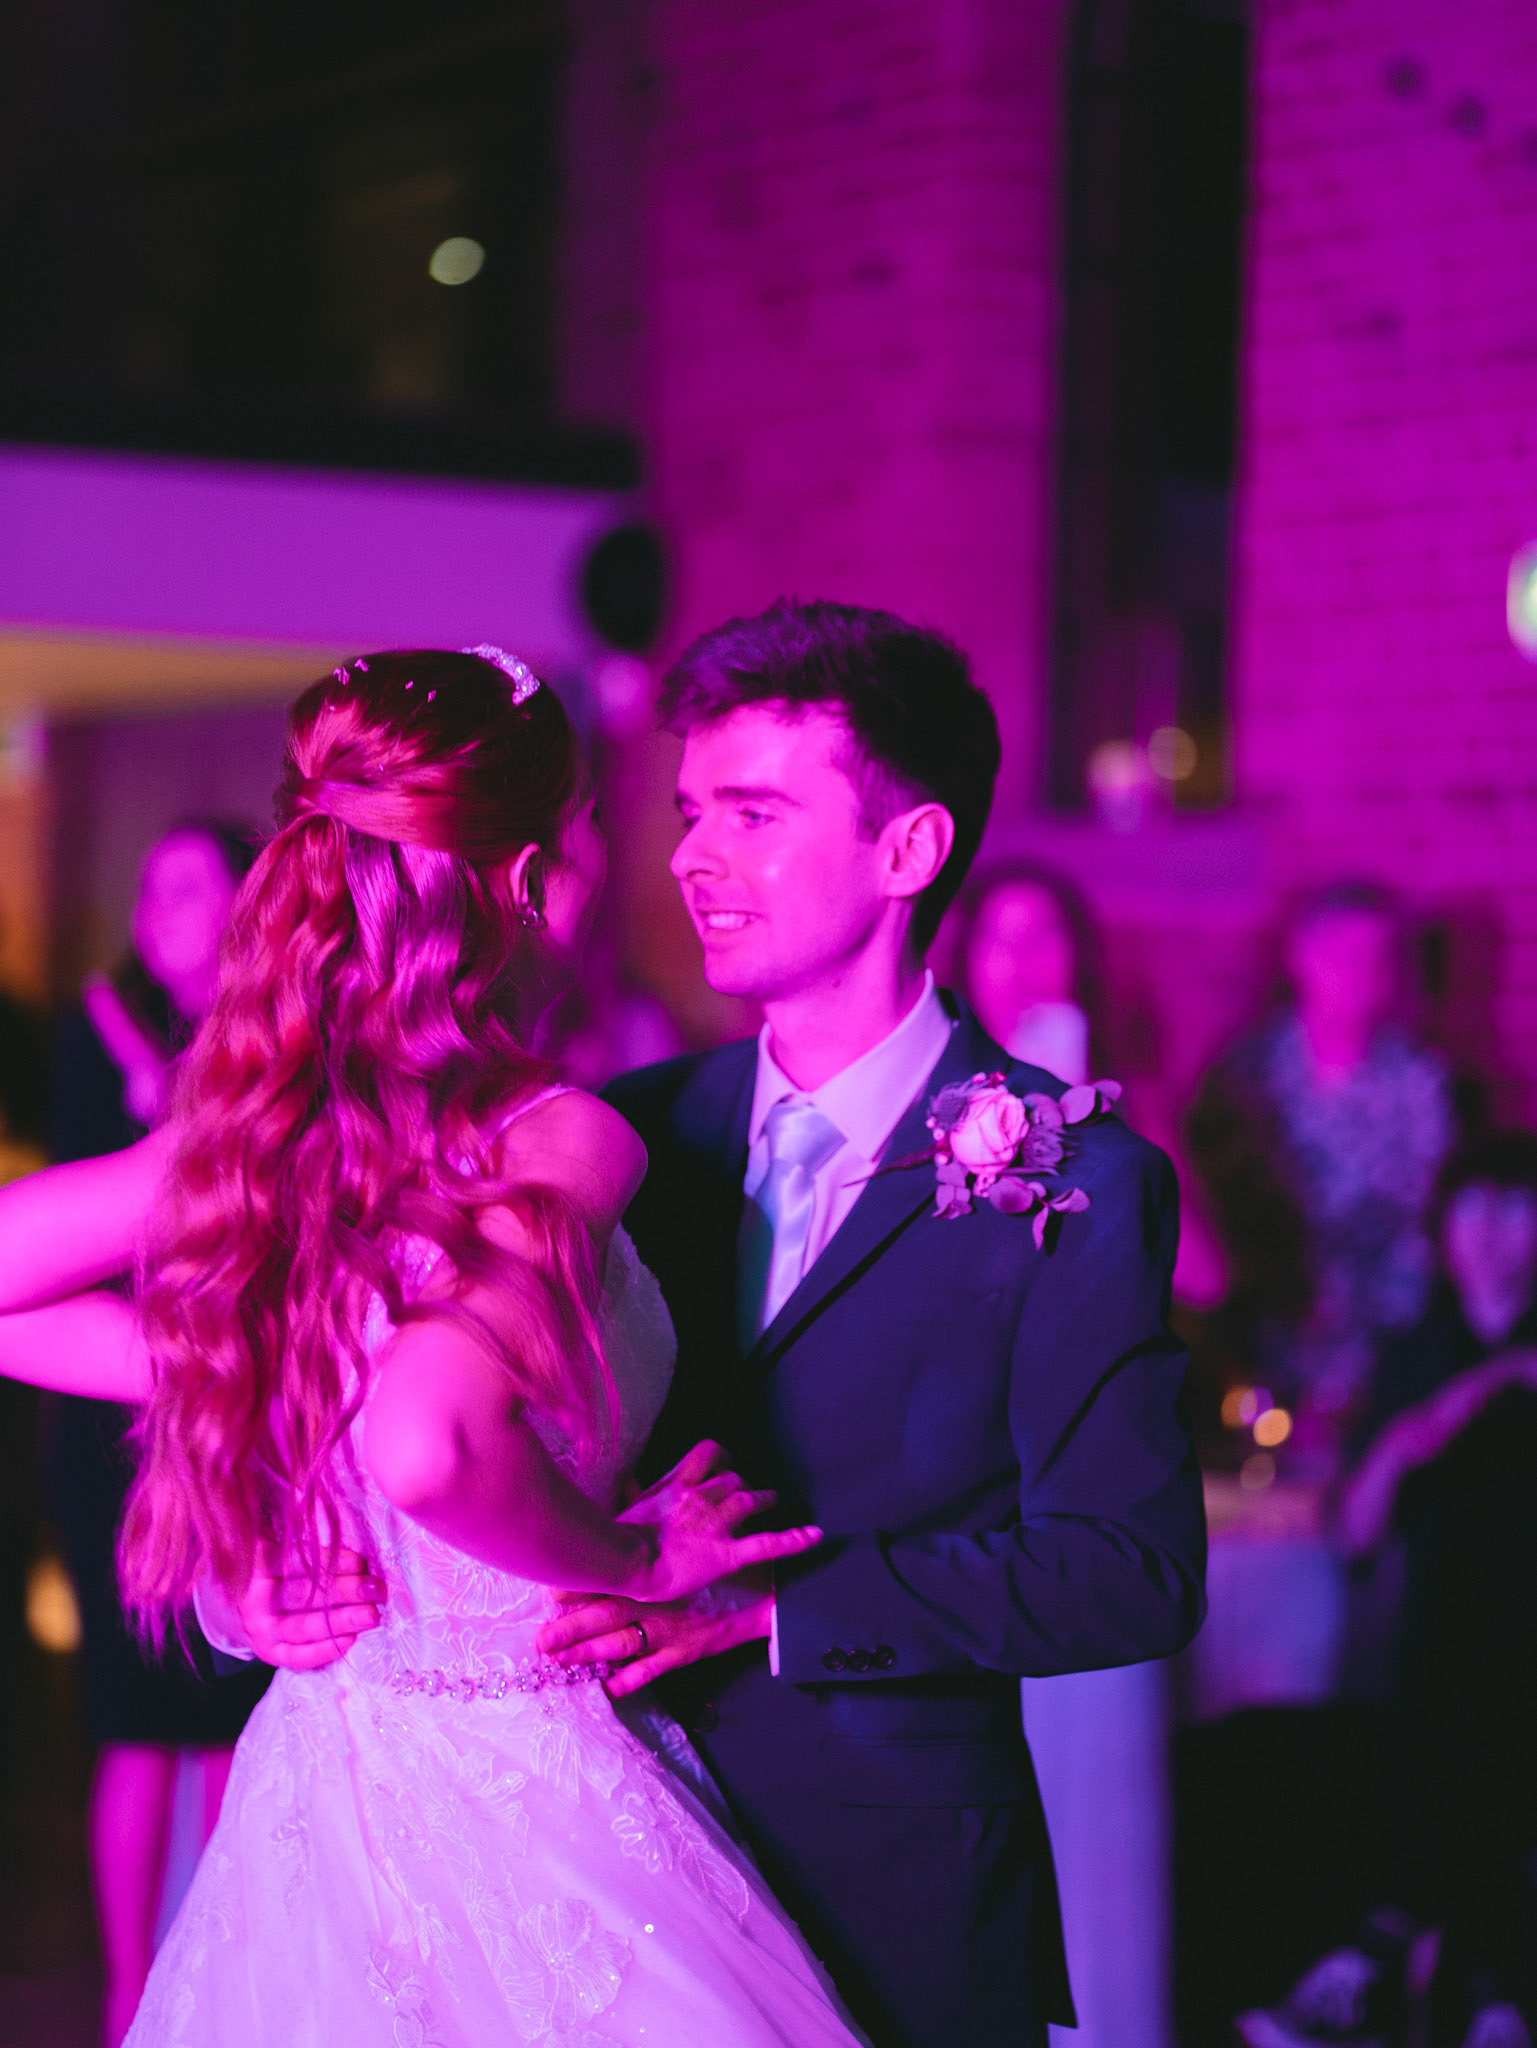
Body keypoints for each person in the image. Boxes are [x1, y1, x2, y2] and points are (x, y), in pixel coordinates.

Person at [230, 605, 1206, 2046]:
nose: (692, 856)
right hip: (577, 1890)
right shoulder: (604, 1135)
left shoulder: (1075, 1179)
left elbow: (1129, 1573)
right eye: (690, 813)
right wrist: (269, 1584)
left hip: (890, 1887)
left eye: (752, 814)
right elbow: (357, 1384)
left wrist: (768, 1606)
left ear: (908, 850)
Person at [0, 646, 868, 2047]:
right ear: (529, 879)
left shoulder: (269, 1143)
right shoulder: (554, 1140)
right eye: (592, 824)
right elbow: (426, 1440)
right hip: (524, 1804)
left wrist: (282, 1361)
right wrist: (638, 1559)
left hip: (320, 1795)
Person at [41, 819, 271, 2048]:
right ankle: (131, 1989)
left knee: (235, 1704)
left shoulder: (273, 1031)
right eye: (148, 884)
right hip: (115, 1403)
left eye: (188, 882)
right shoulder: (97, 1030)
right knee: (132, 1716)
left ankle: (219, 1963)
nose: (159, 905)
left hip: (248, 1399)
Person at [1239, 1134, 1537, 2048]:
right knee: (1439, 1707)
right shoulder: (1413, 1353)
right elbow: (1354, 1533)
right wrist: (1416, 1435)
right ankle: (1473, 1984)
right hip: (1437, 1631)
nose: (1489, 1231)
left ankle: (1392, 1957)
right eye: (1471, 1208)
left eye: (1513, 1207)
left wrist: (1501, 1378)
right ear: (1442, 1227)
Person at [1187, 880, 1455, 1469]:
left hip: (1379, 1352)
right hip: (1254, 1348)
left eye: (1374, 957)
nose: (1355, 972)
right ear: (1298, 956)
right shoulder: (1244, 1077)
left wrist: (1374, 1361)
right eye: (1338, 952)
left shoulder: (1420, 1083)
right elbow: (1210, 1213)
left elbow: (1426, 1227)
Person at [956, 860, 1102, 1086]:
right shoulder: (931, 1082)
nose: (1021, 957)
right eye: (1002, 940)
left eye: (1041, 939)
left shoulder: (1128, 1092)